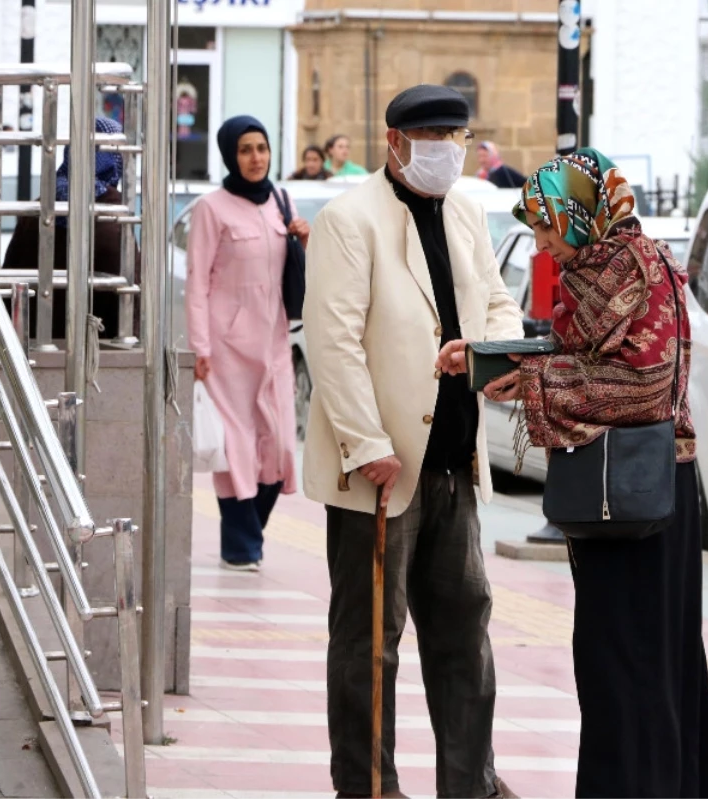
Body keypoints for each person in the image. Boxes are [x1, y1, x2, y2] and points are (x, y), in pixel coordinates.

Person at [463, 148, 708, 799]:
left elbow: (637, 387)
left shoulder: (624, 269)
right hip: (650, 492)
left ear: (584, 213)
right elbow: (588, 353)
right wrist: (500, 359)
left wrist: (530, 379)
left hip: (638, 499)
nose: (548, 242)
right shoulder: (624, 262)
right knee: (658, 663)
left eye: (553, 225)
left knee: (628, 667)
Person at [304, 84, 524, 799]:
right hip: (381, 469)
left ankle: (472, 782)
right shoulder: (348, 218)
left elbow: (496, 300)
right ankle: (369, 785)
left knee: (465, 632)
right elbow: (331, 343)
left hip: (455, 461)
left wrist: (495, 355)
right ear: (396, 142)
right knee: (371, 642)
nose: (446, 151)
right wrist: (367, 442)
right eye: (432, 137)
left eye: (456, 137)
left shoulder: (465, 209)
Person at [186, 115, 310, 572]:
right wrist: (200, 347)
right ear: (229, 155)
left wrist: (305, 241)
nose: (255, 158)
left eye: (261, 148)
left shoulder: (281, 200)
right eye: (245, 150)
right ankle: (241, 545)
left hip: (275, 341)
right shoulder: (211, 209)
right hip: (226, 347)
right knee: (236, 445)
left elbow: (291, 273)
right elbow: (197, 283)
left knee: (277, 443)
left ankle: (249, 533)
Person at [3, 116, 140, 341]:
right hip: (97, 345)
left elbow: (11, 275)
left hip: (33, 343)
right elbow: (132, 287)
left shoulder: (42, 204)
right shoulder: (114, 211)